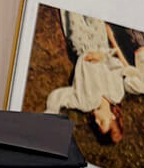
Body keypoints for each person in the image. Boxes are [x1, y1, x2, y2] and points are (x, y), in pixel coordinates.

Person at [45, 11, 127, 143]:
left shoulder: (85, 103)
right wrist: (103, 56)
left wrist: (50, 113)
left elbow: (60, 97)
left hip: (81, 43)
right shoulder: (117, 94)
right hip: (100, 42)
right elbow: (118, 65)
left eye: (97, 125)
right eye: (102, 122)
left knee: (73, 10)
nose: (97, 121)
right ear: (113, 116)